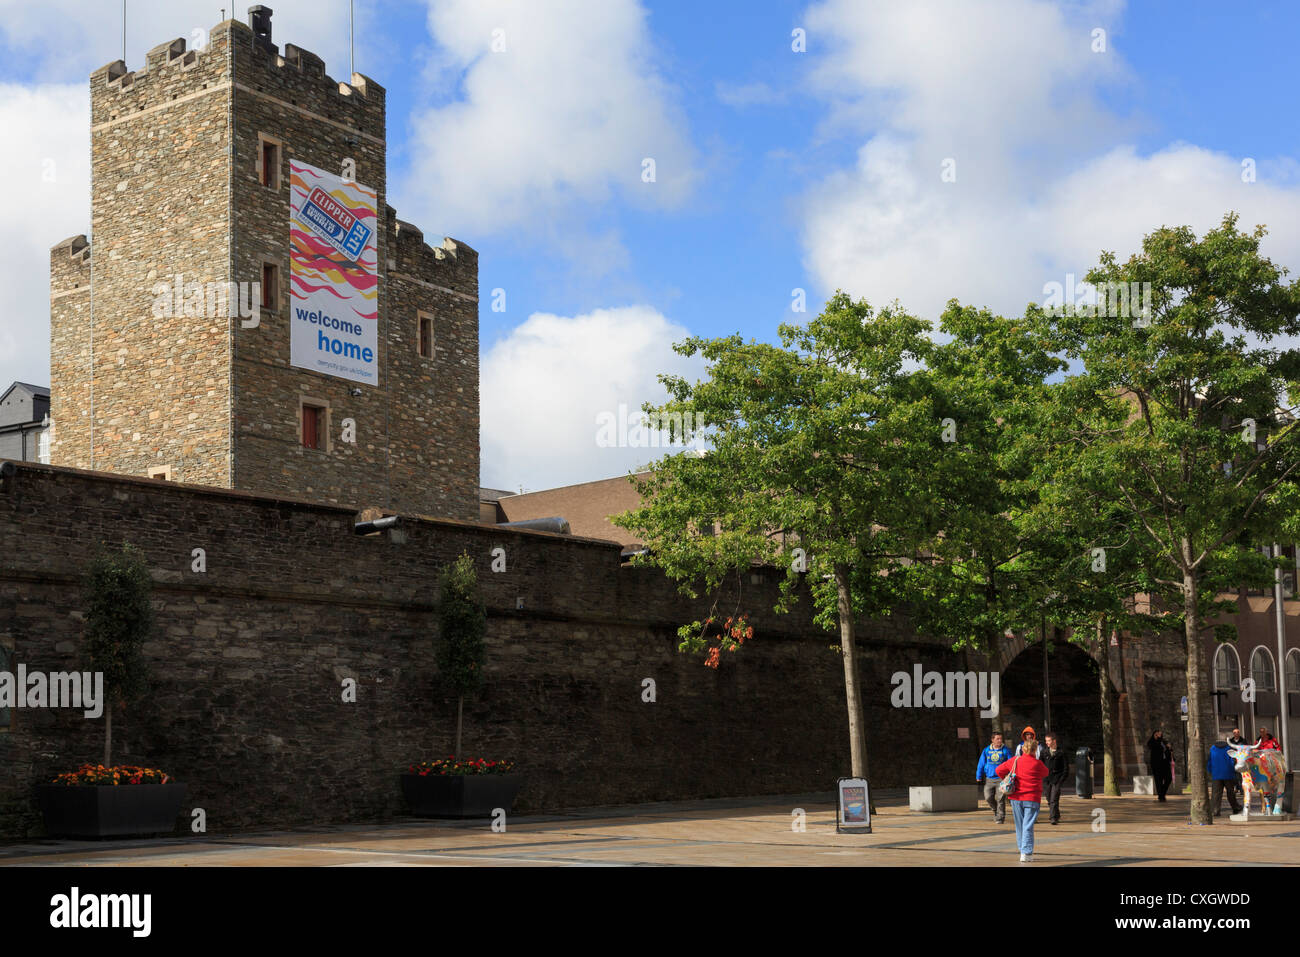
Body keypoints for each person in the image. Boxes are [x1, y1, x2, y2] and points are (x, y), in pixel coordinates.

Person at [996, 727, 1049, 862]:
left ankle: (1022, 850)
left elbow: (998, 770)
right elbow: (1046, 773)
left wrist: (1007, 777)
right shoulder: (1038, 764)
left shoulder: (1015, 760)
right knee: (1028, 825)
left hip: (1015, 798)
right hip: (1032, 798)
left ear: (1023, 749)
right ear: (1035, 750)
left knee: (1020, 825)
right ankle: (1026, 852)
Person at [976, 731, 1014, 824]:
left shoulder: (1006, 750)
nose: (1000, 740)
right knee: (988, 797)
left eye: (1001, 739)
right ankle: (996, 811)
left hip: (1001, 778)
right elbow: (981, 763)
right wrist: (978, 775)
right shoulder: (986, 750)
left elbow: (1011, 763)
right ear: (992, 740)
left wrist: (1010, 775)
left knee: (1000, 799)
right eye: (997, 739)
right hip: (989, 778)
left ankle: (1000, 818)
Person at [1207, 739, 1243, 817]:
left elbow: (1209, 761)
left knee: (1216, 794)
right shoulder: (1229, 748)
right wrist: (1233, 771)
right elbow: (1233, 761)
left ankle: (1215, 810)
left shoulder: (1212, 748)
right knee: (1230, 792)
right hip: (1228, 774)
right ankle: (1235, 807)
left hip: (1216, 774)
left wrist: (1210, 771)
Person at [1042, 733, 1069, 824]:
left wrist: (1061, 780)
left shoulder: (1061, 753)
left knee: (1054, 799)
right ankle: (1056, 814)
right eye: (1046, 741)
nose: (1047, 743)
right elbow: (1040, 765)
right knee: (1049, 799)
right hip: (1046, 780)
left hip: (1057, 780)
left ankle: (1053, 818)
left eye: (1048, 740)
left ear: (1054, 741)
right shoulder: (1044, 752)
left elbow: (1066, 768)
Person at [1146, 730, 1173, 801]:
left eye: (1160, 733)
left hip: (1165, 763)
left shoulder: (1163, 742)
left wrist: (1169, 748)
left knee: (1169, 778)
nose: (1159, 735)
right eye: (1157, 734)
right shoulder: (1152, 742)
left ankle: (1162, 793)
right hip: (1156, 764)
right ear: (1154, 734)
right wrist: (1156, 739)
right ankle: (1161, 796)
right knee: (1159, 780)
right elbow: (1151, 746)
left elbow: (1170, 750)